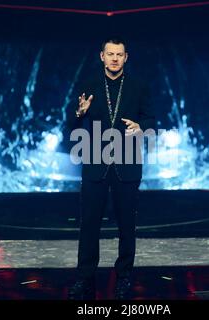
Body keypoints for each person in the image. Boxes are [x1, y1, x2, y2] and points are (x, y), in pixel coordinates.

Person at [65, 38, 155, 300]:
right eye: (110, 54)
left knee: (127, 227)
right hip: (95, 163)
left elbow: (151, 120)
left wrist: (142, 127)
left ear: (126, 57)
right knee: (89, 226)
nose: (114, 58)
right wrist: (80, 113)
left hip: (127, 164)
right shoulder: (88, 85)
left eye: (119, 54)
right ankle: (84, 279)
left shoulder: (139, 86)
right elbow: (71, 125)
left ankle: (124, 278)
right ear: (101, 56)